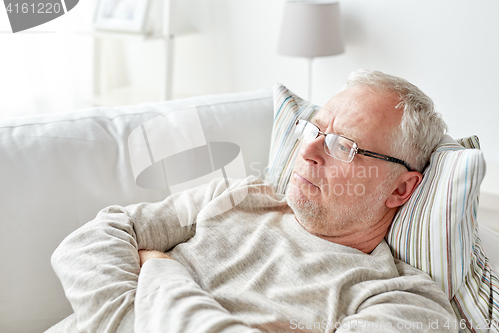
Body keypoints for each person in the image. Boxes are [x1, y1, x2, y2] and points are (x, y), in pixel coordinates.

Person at [51, 70, 457, 333]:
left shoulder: (402, 303)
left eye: (342, 146)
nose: (308, 151)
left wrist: (158, 268)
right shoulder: (238, 196)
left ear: (401, 190)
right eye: (313, 129)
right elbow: (93, 239)